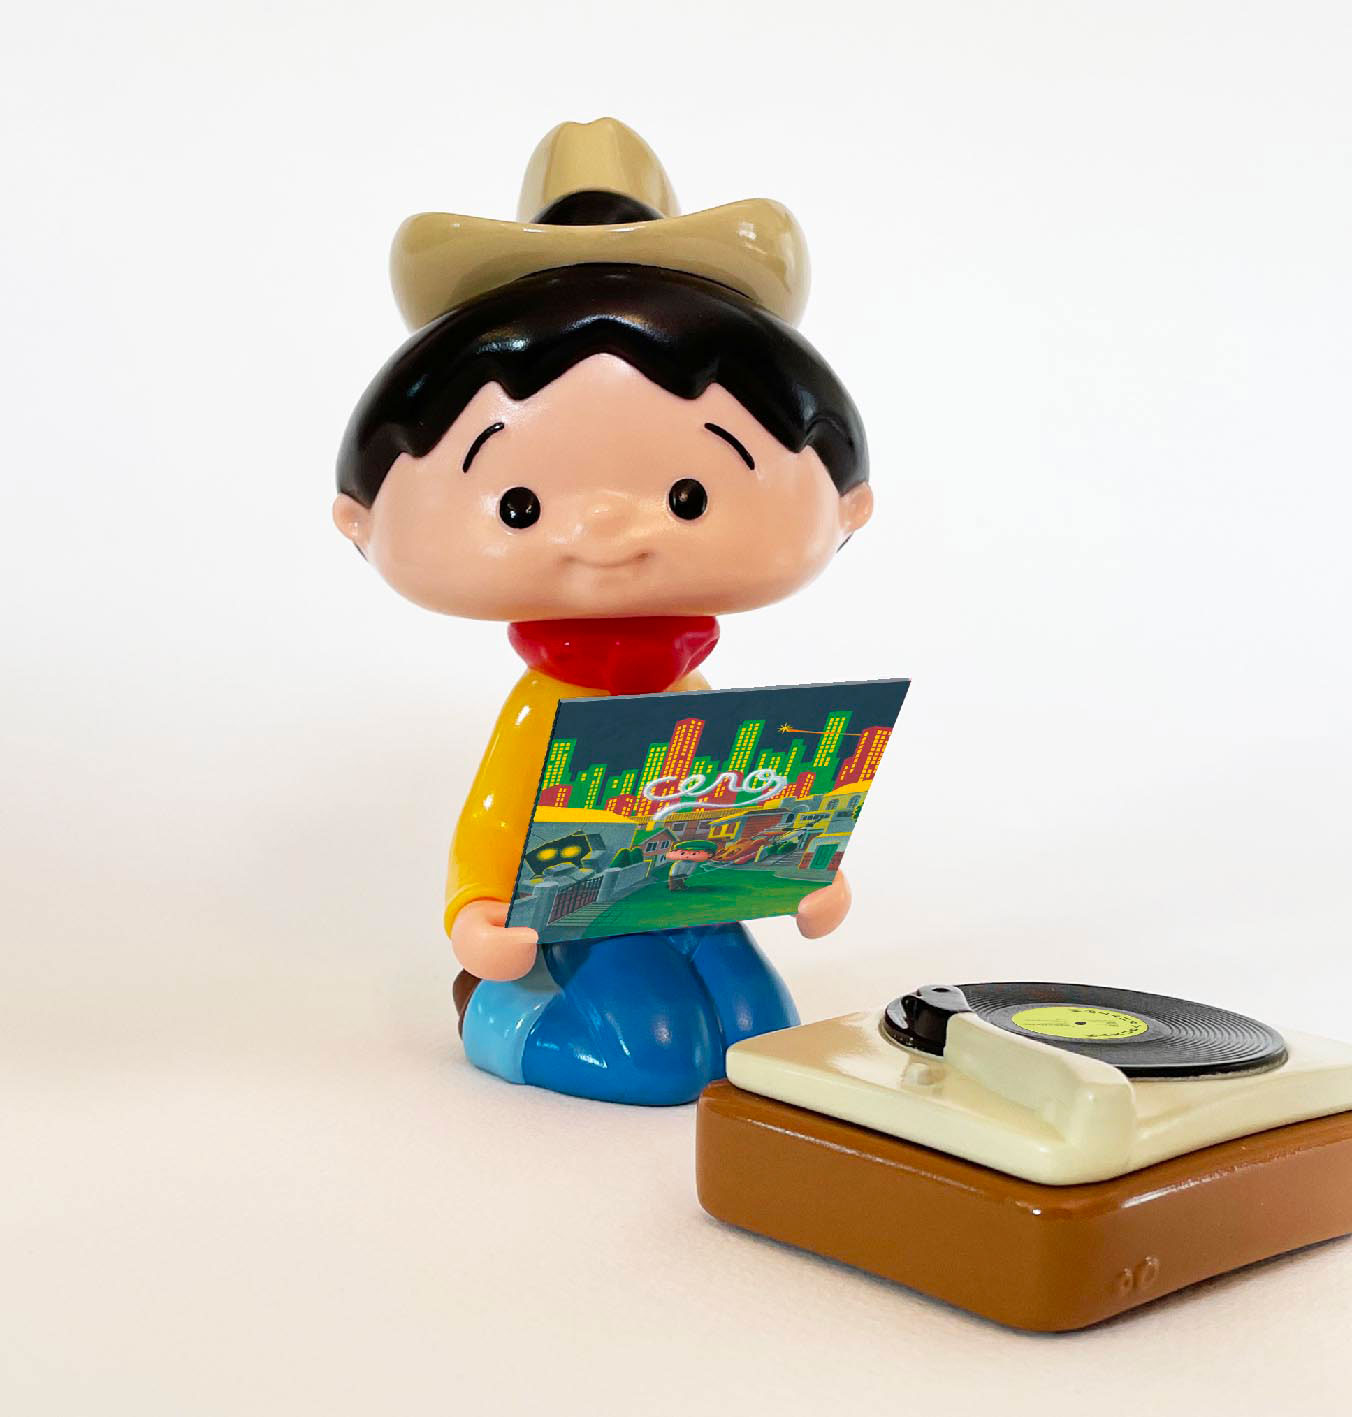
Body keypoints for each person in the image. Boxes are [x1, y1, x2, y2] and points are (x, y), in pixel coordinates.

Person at [334, 120, 873, 1104]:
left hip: (694, 898)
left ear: (846, 505)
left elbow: (733, 799)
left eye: (686, 495)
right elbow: (497, 807)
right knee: (657, 1055)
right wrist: (477, 910)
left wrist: (803, 874)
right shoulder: (548, 703)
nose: (606, 530)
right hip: (578, 916)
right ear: (361, 520)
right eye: (521, 504)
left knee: (764, 1037)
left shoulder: (686, 684)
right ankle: (501, 1016)